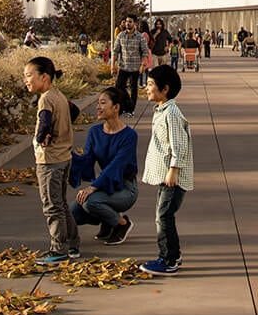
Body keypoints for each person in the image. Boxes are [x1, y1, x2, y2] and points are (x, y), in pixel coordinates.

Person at [25, 56, 79, 264]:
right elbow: (74, 111)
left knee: (51, 206)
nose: (26, 80)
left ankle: (58, 249)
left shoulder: (46, 99)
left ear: (44, 77)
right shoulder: (59, 95)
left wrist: (42, 139)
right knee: (62, 203)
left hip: (49, 160)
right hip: (64, 156)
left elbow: (44, 122)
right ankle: (73, 244)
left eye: (29, 75)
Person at [140, 64, 192, 276]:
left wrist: (173, 170)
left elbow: (179, 145)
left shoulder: (171, 113)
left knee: (164, 216)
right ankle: (173, 254)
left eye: (151, 84)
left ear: (165, 89)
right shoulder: (162, 110)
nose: (146, 88)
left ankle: (168, 259)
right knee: (162, 215)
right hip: (165, 175)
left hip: (173, 177)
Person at [70, 86, 139, 245]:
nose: (98, 107)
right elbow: (87, 161)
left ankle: (122, 224)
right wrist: (67, 154)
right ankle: (108, 222)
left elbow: (116, 166)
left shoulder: (129, 136)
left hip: (126, 188)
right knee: (73, 213)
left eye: (102, 103)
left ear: (115, 108)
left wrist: (93, 188)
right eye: (98, 103)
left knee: (91, 202)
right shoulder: (95, 132)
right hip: (105, 186)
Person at [112, 15, 147, 115]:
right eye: (126, 21)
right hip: (123, 66)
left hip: (135, 67)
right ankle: (125, 104)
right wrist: (112, 65)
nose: (128, 23)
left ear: (134, 24)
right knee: (119, 86)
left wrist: (143, 65)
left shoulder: (140, 37)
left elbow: (145, 52)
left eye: (130, 21)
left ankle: (131, 109)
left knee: (133, 88)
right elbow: (115, 51)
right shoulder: (120, 36)